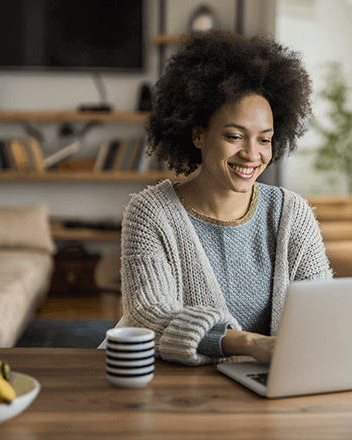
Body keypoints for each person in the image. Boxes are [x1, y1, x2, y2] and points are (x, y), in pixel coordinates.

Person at [104, 30, 333, 366]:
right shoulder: (150, 213)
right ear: (198, 134)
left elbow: (324, 309)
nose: (251, 155)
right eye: (234, 136)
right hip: (178, 388)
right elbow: (149, 315)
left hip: (269, 386)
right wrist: (252, 344)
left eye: (264, 140)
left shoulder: (291, 213)